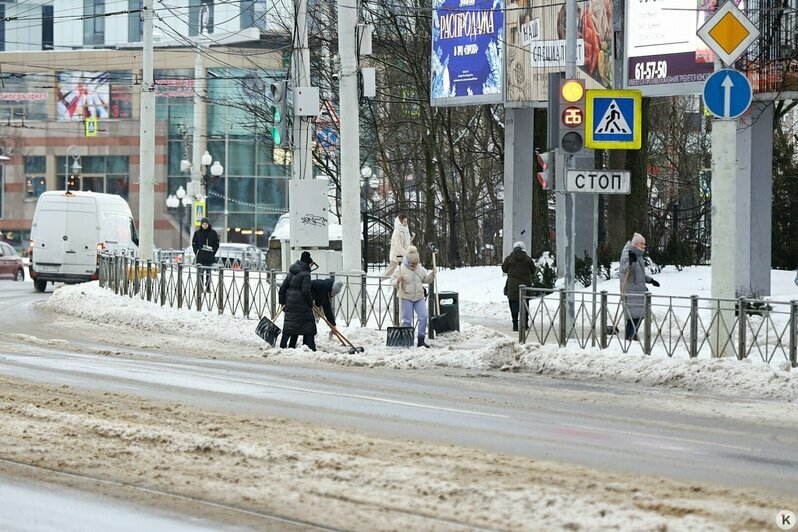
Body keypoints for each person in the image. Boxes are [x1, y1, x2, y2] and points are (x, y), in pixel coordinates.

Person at [392, 245, 435, 348]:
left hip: (419, 297)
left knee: (423, 317)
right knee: (407, 320)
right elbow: (392, 282)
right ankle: (407, 340)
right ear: (408, 261)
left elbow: (425, 280)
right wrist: (397, 281)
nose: (413, 265)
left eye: (415, 263)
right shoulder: (401, 268)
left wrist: (432, 275)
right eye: (412, 263)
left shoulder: (420, 268)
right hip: (406, 297)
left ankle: (421, 340)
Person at [619, 232, 660, 341]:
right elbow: (626, 270)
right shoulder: (627, 254)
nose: (643, 247)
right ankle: (630, 336)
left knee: (639, 315)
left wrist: (650, 280)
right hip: (630, 290)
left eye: (644, 245)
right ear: (636, 244)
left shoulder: (637, 255)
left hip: (638, 290)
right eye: (642, 245)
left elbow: (640, 273)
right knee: (633, 316)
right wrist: (631, 262)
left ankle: (632, 335)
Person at [278, 251, 317, 351]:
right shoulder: (306, 275)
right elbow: (305, 291)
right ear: (308, 264)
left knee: (290, 325)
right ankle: (311, 347)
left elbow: (283, 288)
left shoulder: (292, 271)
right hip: (302, 305)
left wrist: (283, 301)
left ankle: (284, 346)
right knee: (309, 325)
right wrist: (310, 303)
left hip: (290, 303)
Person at [501, 241, 536, 331]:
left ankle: (515, 324)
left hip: (512, 286)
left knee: (513, 305)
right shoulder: (528, 259)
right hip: (525, 286)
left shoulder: (509, 259)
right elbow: (533, 270)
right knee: (525, 304)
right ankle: (525, 324)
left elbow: (504, 269)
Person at [191, 217, 219, 292]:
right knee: (200, 272)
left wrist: (213, 251)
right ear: (201, 224)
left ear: (208, 224)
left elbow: (216, 243)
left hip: (209, 256)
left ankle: (208, 287)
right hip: (200, 257)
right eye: (203, 224)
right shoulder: (197, 233)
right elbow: (194, 243)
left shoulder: (213, 233)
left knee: (208, 273)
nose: (205, 225)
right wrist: (197, 251)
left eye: (206, 224)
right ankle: (200, 288)